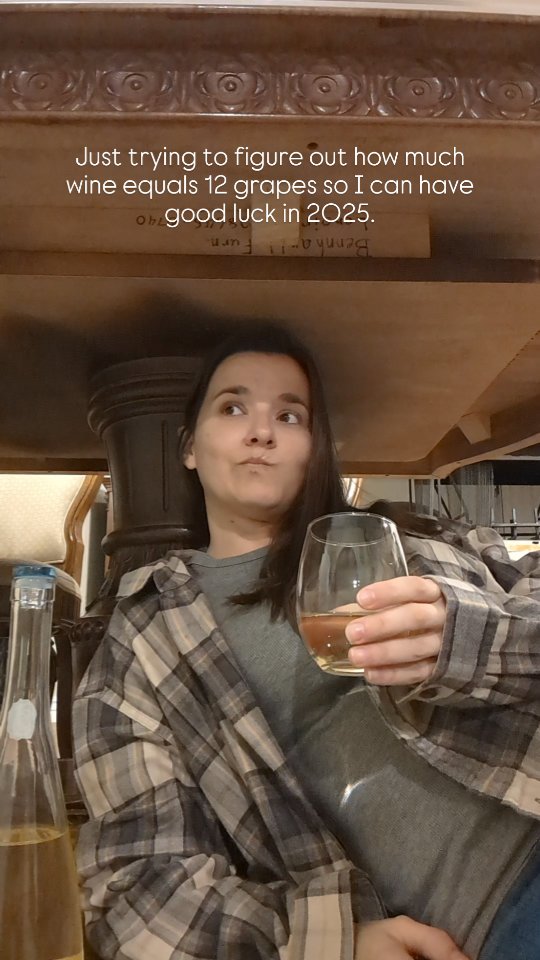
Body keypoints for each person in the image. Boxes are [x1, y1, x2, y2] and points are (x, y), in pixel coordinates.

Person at [73, 324, 540, 960]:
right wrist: (335, 944)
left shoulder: (416, 538)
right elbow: (137, 893)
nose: (261, 432)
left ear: (315, 449)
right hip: (485, 926)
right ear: (188, 448)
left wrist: (471, 641)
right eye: (233, 408)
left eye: (289, 416)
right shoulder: (146, 639)